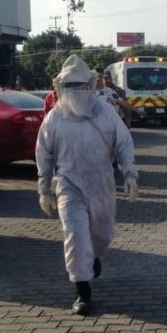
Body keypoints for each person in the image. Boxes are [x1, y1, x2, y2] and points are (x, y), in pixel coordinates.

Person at [35, 55, 138, 316]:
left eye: (79, 86)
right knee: (76, 235)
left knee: (101, 235)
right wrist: (44, 185)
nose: (75, 92)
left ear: (89, 85)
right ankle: (82, 290)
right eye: (70, 87)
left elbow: (124, 143)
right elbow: (44, 153)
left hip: (102, 184)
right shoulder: (54, 118)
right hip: (69, 185)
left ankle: (93, 257)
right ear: (61, 87)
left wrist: (129, 173)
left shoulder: (105, 112)